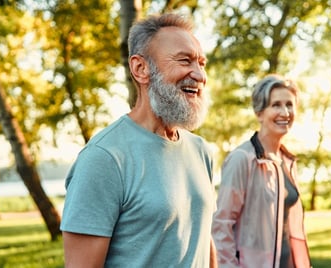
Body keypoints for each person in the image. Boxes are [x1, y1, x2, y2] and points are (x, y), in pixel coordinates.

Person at [60, 13, 217, 267]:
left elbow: (203, 237)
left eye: (201, 63)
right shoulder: (103, 158)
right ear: (140, 69)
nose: (199, 75)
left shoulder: (201, 150)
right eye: (185, 61)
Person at [212, 74, 311, 268]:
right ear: (259, 113)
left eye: (289, 105)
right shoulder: (242, 159)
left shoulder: (288, 160)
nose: (285, 112)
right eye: (276, 105)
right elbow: (221, 225)